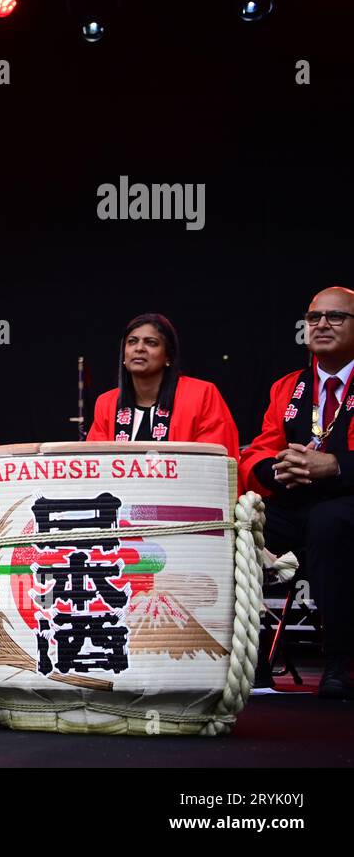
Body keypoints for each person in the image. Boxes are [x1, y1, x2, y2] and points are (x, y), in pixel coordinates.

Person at [240, 286, 354, 699]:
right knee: (240, 529)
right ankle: (251, 659)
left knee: (331, 523)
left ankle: (341, 662)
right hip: (293, 501)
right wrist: (278, 470)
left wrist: (336, 464)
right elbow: (259, 448)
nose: (322, 324)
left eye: (336, 317)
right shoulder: (288, 387)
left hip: (346, 503)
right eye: (314, 317)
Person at [87, 313, 238, 455]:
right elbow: (95, 464)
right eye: (132, 341)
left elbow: (216, 463)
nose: (139, 348)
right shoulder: (107, 403)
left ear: (168, 356)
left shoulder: (202, 395)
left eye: (151, 343)